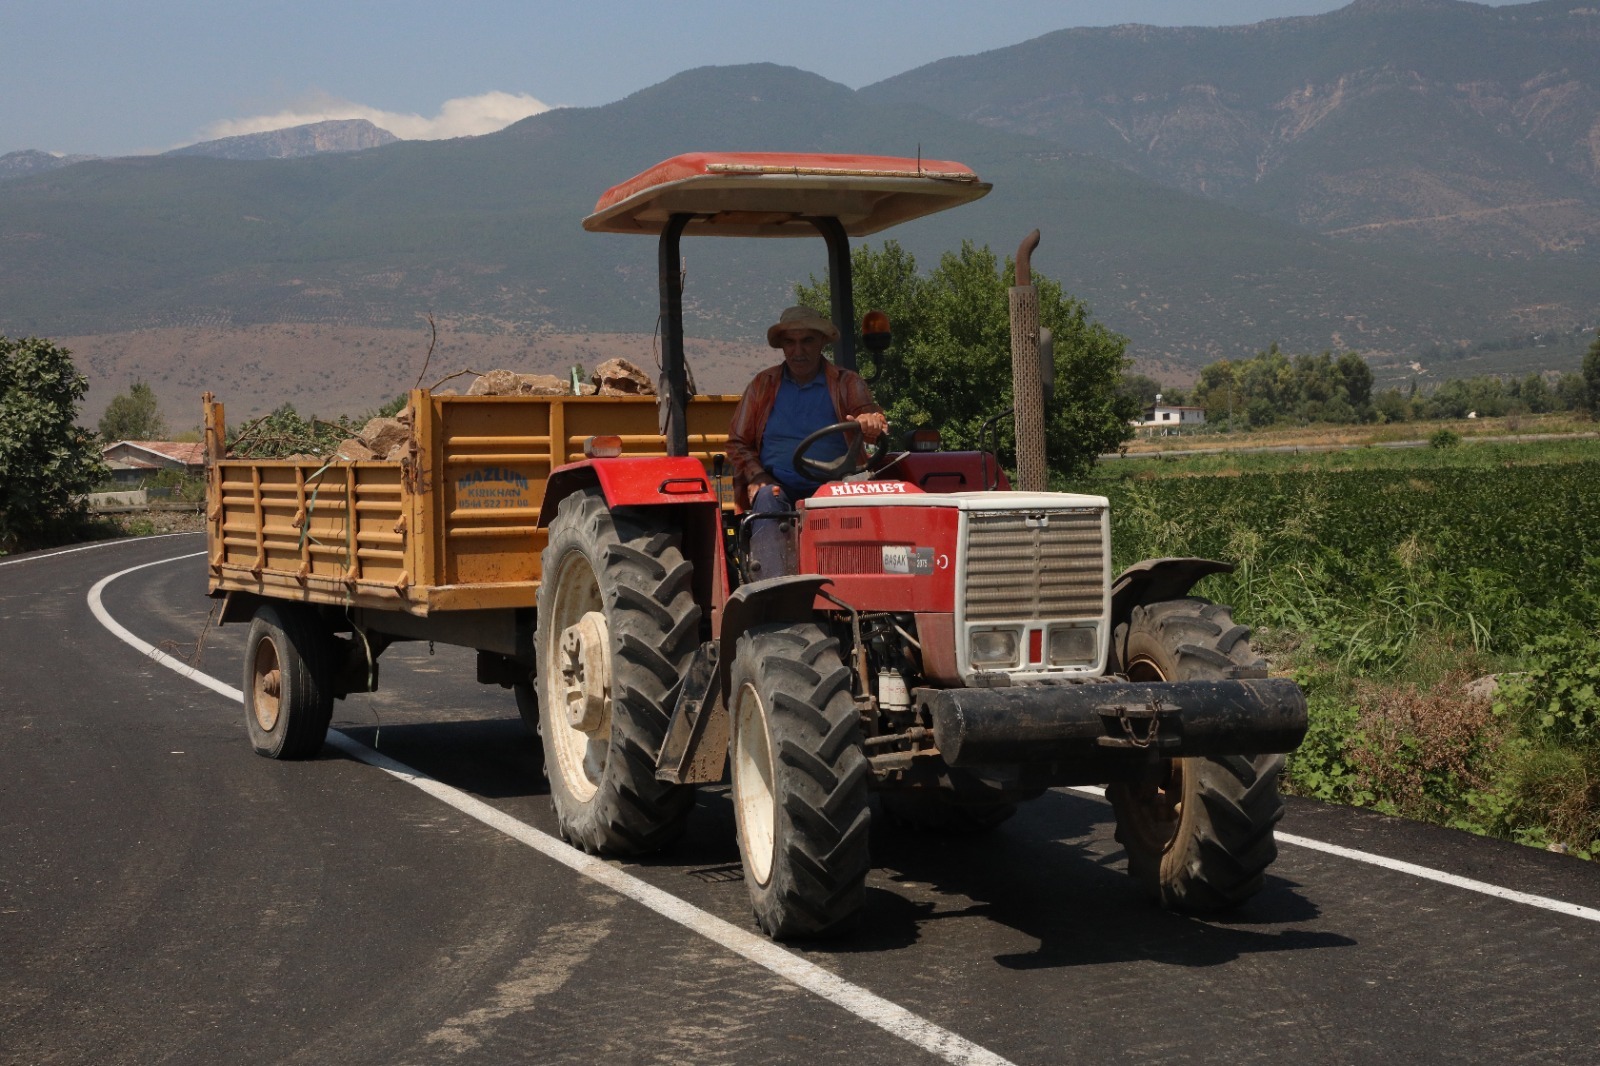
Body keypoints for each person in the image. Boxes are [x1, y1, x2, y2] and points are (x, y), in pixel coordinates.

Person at [727, 305, 888, 578]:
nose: (798, 350)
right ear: (782, 346)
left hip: (837, 485)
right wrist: (759, 476)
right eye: (790, 342)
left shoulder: (846, 382)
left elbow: (873, 419)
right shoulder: (762, 385)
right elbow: (737, 442)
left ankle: (865, 585)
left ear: (822, 341)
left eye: (807, 341)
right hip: (781, 485)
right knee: (767, 497)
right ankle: (773, 590)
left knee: (862, 492)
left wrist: (871, 423)